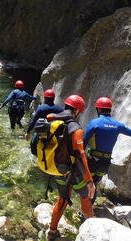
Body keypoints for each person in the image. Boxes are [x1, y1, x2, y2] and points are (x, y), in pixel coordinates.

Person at [44, 95, 95, 241]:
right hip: (72, 170)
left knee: (63, 198)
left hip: (56, 169)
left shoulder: (52, 119)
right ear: (77, 111)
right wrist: (90, 180)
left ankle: (52, 231)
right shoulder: (75, 128)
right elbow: (80, 155)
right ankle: (92, 227)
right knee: (85, 196)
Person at [84, 97, 131, 204]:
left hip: (92, 161)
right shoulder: (117, 125)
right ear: (109, 109)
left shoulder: (95, 123)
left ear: (98, 109)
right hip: (105, 163)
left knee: (86, 184)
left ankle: (84, 210)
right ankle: (89, 208)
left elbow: (83, 142)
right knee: (95, 183)